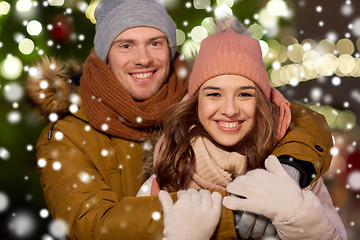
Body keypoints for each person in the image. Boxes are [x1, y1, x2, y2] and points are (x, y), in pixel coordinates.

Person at [25, 0, 335, 239]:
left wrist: (293, 166)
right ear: (106, 54)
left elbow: (288, 115)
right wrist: (233, 216)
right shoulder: (67, 133)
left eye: (155, 43)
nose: (143, 58)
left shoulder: (193, 95)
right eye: (126, 45)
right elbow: (92, 224)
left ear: (170, 49)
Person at [142, 16, 347, 239]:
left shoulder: (291, 175)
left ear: (261, 101)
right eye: (214, 94)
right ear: (195, 102)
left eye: (244, 94)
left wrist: (295, 214)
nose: (230, 110)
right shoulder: (168, 170)